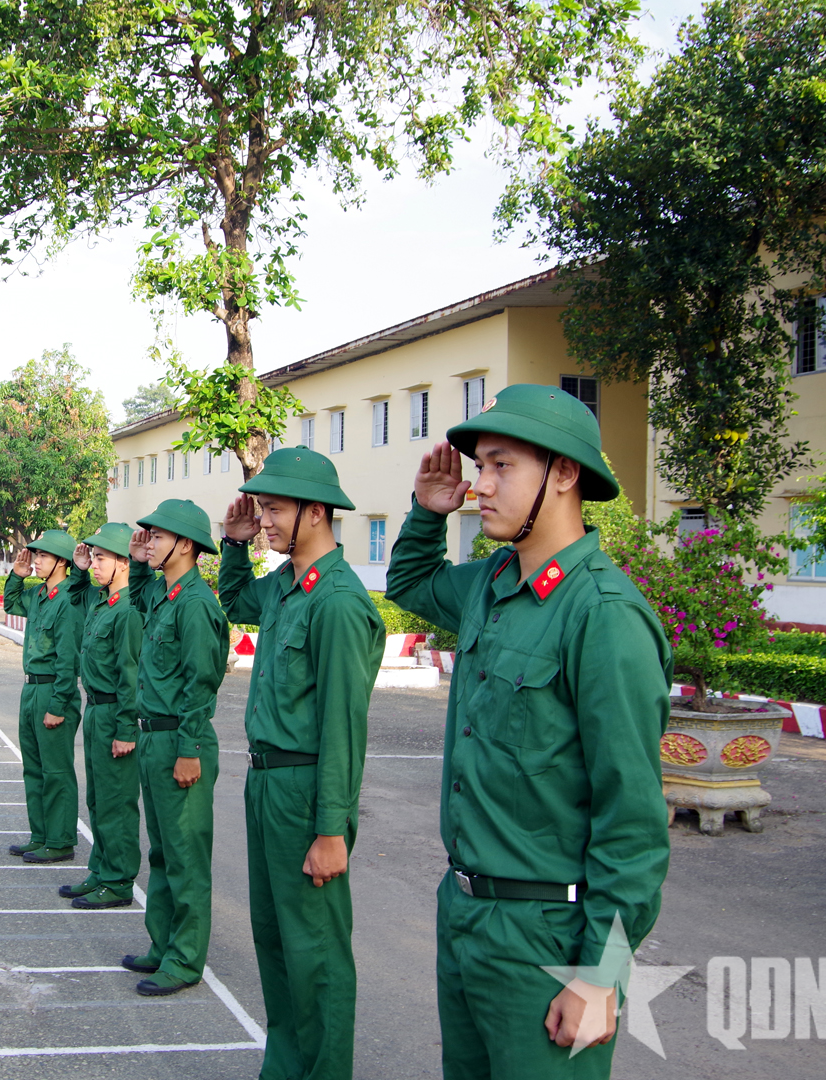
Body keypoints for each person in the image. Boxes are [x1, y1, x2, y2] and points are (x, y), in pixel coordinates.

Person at [384, 383, 672, 1079]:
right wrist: (426, 514)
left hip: (546, 937)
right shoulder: (491, 582)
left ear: (564, 473)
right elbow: (410, 583)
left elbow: (632, 820)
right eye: (479, 465)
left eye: (502, 466)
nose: (480, 485)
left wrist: (600, 975)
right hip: (465, 913)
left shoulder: (603, 614)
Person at [218, 446, 383, 1080]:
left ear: (316, 512)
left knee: (316, 956)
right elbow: (236, 600)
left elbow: (344, 726)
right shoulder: (288, 585)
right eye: (261, 509)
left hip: (306, 789)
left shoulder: (336, 601)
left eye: (275, 510)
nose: (264, 520)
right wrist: (234, 545)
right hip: (267, 783)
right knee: (276, 943)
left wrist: (331, 829)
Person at [123, 499, 226, 997]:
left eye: (159, 537)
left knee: (185, 857)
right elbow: (137, 599)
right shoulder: (166, 595)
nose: (151, 542)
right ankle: (163, 944)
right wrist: (139, 565)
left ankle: (184, 959)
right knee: (162, 851)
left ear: (185, 545)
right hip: (153, 737)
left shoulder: (196, 604)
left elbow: (200, 684)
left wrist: (189, 749)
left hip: (179, 739)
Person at [59, 523, 144, 910]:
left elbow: (130, 675)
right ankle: (101, 870)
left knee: (116, 801)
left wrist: (126, 728)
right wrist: (79, 570)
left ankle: (118, 880)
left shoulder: (127, 610)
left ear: (124, 563)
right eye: (92, 558)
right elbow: (73, 596)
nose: (93, 564)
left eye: (101, 558)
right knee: (96, 799)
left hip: (114, 712)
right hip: (95, 709)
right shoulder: (101, 603)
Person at [2, 529, 86, 864]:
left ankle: (60, 840)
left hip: (53, 689)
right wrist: (17, 576)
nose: (36, 561)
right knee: (34, 768)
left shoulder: (69, 600)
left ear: (62, 562)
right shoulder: (38, 595)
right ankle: (40, 836)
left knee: (56, 770)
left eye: (43, 556)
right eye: (36, 555)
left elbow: (69, 659)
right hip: (31, 688)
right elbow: (11, 603)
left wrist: (58, 705)